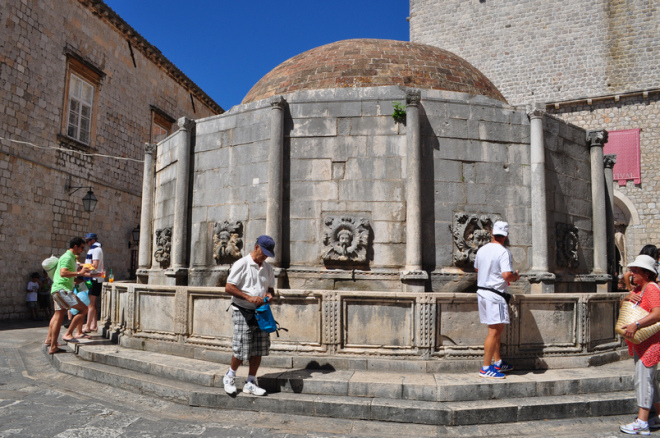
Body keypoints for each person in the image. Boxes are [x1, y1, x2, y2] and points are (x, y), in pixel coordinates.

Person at [222, 235, 276, 396]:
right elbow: (229, 287)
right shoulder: (242, 263)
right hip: (242, 310)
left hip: (261, 311)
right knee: (241, 346)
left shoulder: (267, 268)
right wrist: (248, 297)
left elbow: (271, 289)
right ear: (256, 247)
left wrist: (269, 295)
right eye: (263, 253)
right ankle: (229, 376)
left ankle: (250, 382)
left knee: (259, 348)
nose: (265, 256)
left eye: (268, 254)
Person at [619, 255, 660, 435]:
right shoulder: (639, 289)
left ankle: (642, 422)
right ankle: (657, 416)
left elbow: (658, 313)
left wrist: (636, 325)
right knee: (650, 380)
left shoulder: (651, 288)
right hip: (641, 343)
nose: (631, 273)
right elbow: (623, 304)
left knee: (643, 379)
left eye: (636, 270)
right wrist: (627, 297)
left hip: (651, 342)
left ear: (646, 273)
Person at [474, 221, 520, 379]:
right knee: (495, 331)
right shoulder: (503, 251)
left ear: (492, 233)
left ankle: (498, 362)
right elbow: (507, 275)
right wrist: (516, 276)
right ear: (506, 235)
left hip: (482, 292)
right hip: (495, 294)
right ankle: (486, 368)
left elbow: (477, 268)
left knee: (494, 330)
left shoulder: (482, 250)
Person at [45, 237, 101, 354]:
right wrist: (79, 272)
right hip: (63, 290)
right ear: (75, 246)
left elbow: (70, 276)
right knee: (83, 309)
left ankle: (51, 342)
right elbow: (63, 272)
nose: (82, 250)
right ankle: (68, 333)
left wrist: (90, 276)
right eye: (81, 247)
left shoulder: (68, 257)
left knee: (58, 316)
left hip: (58, 289)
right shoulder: (67, 257)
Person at [82, 233, 104, 333]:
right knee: (92, 303)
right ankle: (94, 325)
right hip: (91, 279)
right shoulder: (94, 249)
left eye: (88, 241)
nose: (87, 243)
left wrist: (82, 265)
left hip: (94, 279)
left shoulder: (96, 250)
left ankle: (87, 326)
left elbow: (94, 266)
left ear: (93, 240)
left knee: (90, 303)